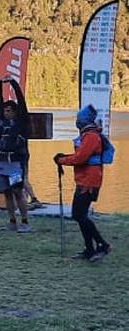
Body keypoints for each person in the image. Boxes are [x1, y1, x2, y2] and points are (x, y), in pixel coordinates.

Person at [54, 105, 112, 262]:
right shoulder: (88, 135)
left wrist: (62, 160)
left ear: (83, 120)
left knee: (79, 215)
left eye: (78, 119)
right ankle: (90, 249)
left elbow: (81, 158)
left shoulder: (91, 136)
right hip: (85, 180)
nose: (76, 122)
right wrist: (65, 157)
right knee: (80, 215)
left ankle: (102, 245)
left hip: (89, 182)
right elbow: (81, 155)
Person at [0, 77, 32, 233]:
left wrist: (13, 84)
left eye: (9, 110)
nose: (6, 113)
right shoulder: (2, 121)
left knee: (17, 191)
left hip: (15, 163)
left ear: (15, 112)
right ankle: (12, 221)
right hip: (2, 163)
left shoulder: (21, 121)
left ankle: (25, 221)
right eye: (5, 110)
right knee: (7, 193)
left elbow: (21, 102)